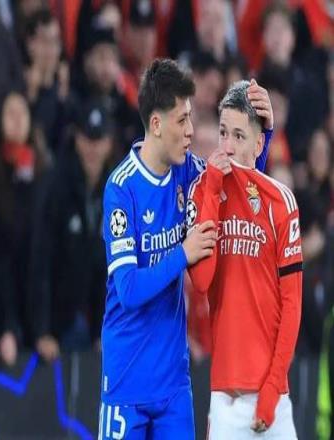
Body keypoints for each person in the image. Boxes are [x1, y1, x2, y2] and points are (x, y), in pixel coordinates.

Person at [99, 58, 274, 439]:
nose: (191, 131)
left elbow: (244, 191)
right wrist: (183, 253)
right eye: (182, 120)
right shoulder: (121, 188)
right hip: (127, 382)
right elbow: (128, 290)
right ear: (156, 124)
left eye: (191, 117)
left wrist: (265, 133)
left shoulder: (188, 172)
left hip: (174, 386)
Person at [187, 81, 302, 439]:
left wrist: (272, 390)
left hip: (274, 398)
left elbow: (292, 305)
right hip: (226, 400)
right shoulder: (201, 191)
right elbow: (202, 281)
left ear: (259, 144)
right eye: (223, 133)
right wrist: (212, 190)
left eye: (239, 136)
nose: (227, 146)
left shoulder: (281, 201)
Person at [30, 99, 113, 362]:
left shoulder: (113, 190)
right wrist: (42, 330)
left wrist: (102, 331)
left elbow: (108, 268)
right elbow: (41, 260)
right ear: (77, 140)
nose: (93, 149)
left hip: (89, 322)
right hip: (56, 323)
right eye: (88, 139)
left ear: (108, 143)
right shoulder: (56, 186)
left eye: (98, 140)